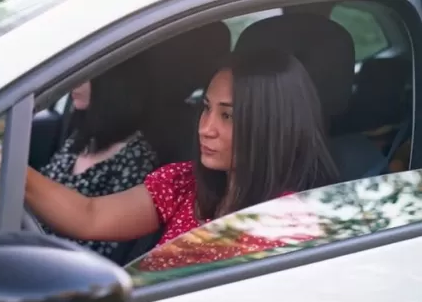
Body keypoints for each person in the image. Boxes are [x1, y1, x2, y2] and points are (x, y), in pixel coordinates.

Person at [26, 48, 339, 263]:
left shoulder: (284, 224)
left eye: (227, 116)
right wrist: (1, 164)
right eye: (206, 109)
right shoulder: (184, 184)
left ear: (271, 127)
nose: (206, 128)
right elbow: (90, 215)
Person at [37, 56, 159, 260]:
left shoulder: (137, 160)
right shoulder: (82, 137)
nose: (73, 83)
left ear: (111, 85)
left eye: (84, 76)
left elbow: (100, 250)